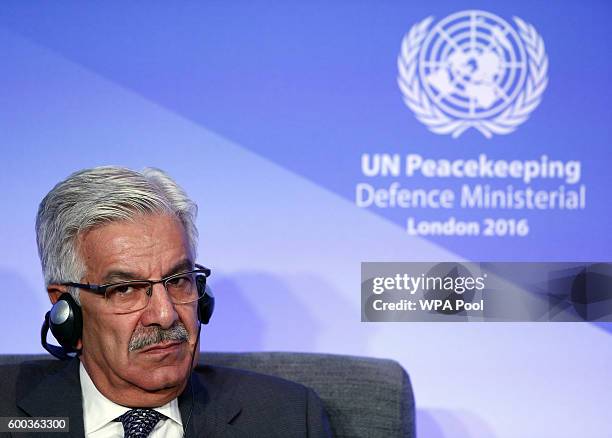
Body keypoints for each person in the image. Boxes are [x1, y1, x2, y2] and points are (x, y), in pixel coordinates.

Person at [0, 166, 331, 437]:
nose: (165, 314)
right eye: (126, 289)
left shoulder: (286, 418)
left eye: (178, 281)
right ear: (66, 311)